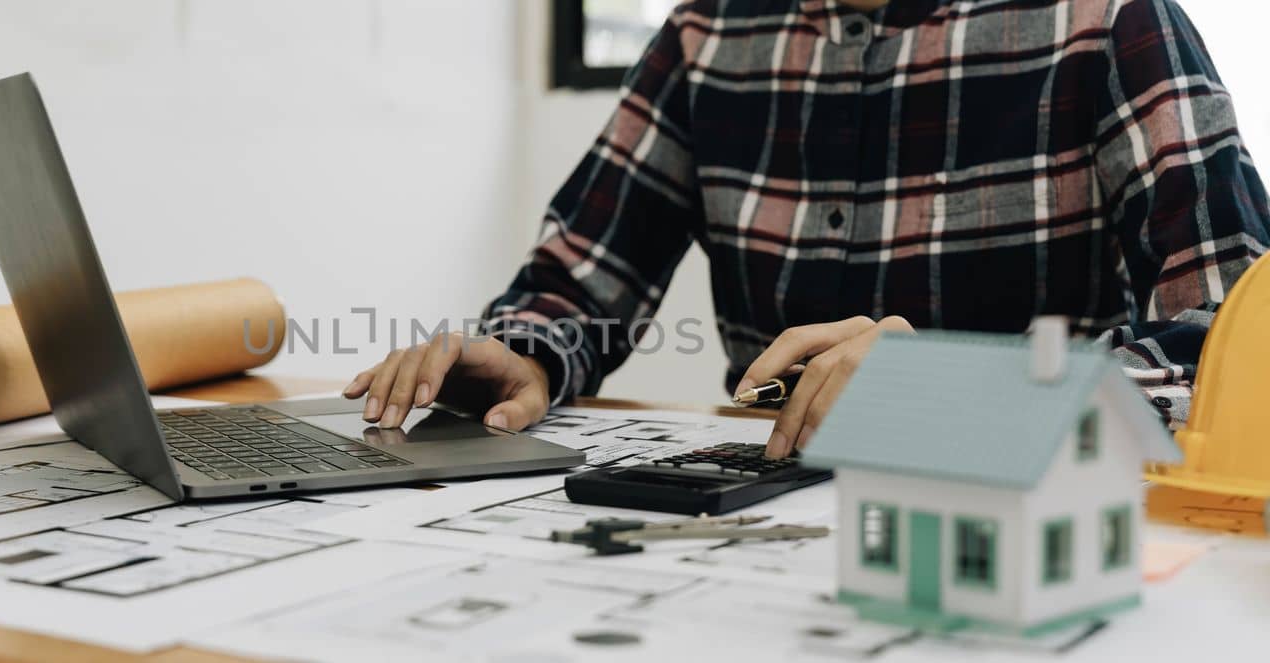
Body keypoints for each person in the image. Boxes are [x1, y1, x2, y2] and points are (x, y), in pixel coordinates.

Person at [344, 0, 1270, 459]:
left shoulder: (1109, 22)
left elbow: (1239, 353)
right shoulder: (708, 34)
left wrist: (967, 389)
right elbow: (584, 276)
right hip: (762, 524)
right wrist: (529, 353)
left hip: (1021, 517)